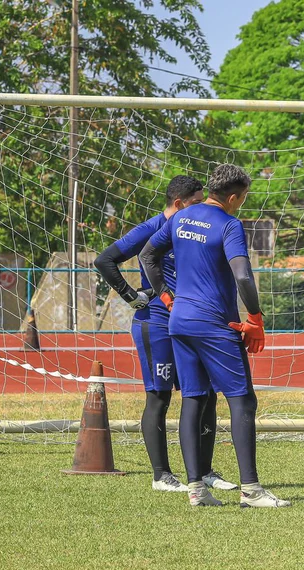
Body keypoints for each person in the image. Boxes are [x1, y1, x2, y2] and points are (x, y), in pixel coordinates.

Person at [139, 163, 288, 508]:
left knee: (193, 398)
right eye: (243, 198)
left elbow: (147, 254)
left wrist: (165, 296)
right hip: (214, 324)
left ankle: (197, 490)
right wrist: (255, 318)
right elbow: (244, 276)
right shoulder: (229, 224)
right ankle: (250, 490)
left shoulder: (181, 217)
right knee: (242, 400)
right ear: (234, 197)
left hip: (180, 321)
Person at [94, 175, 236, 494]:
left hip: (189, 323)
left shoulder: (198, 228)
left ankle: (204, 470)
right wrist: (132, 296)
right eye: (197, 202)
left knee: (205, 394)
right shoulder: (153, 228)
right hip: (156, 323)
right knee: (159, 397)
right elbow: (104, 260)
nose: (204, 207)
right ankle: (162, 475)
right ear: (178, 204)